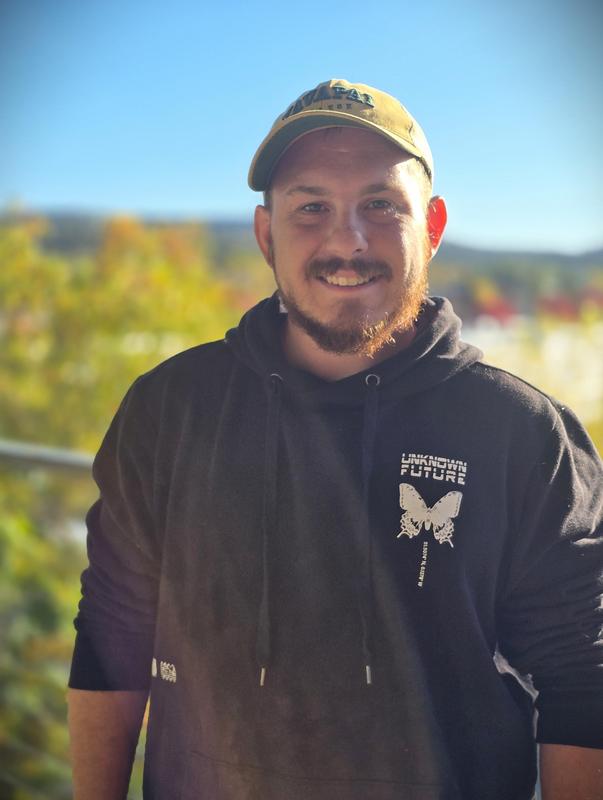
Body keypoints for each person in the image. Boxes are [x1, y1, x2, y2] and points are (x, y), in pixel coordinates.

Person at [67, 79, 603, 799]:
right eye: (310, 207)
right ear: (266, 234)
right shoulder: (170, 409)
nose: (346, 242)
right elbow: (113, 628)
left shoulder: (522, 433)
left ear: (432, 226)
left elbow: (581, 676)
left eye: (380, 206)